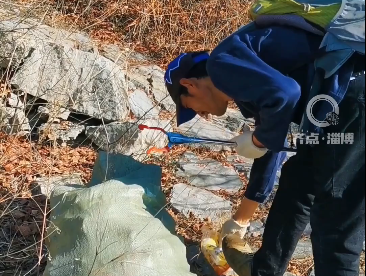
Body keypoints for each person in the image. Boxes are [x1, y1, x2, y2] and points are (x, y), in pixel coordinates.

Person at [164, 23, 365, 276]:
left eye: (188, 105)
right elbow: (272, 148)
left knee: (334, 223)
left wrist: (259, 140)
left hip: (353, 96)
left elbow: (286, 93)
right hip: (332, 102)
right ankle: (264, 271)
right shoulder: (243, 81)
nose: (197, 115)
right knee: (297, 185)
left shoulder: (221, 64)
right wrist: (241, 220)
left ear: (189, 84)